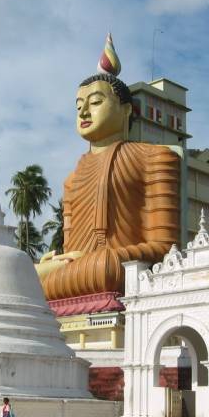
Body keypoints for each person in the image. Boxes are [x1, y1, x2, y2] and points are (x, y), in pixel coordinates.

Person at [37, 34, 180, 301]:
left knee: (102, 268)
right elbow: (72, 251)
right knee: (25, 275)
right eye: (79, 106)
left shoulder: (157, 157)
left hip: (118, 271)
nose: (83, 113)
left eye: (95, 103)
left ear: (126, 110)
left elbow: (166, 248)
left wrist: (108, 258)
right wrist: (56, 263)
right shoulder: (72, 179)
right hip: (76, 276)